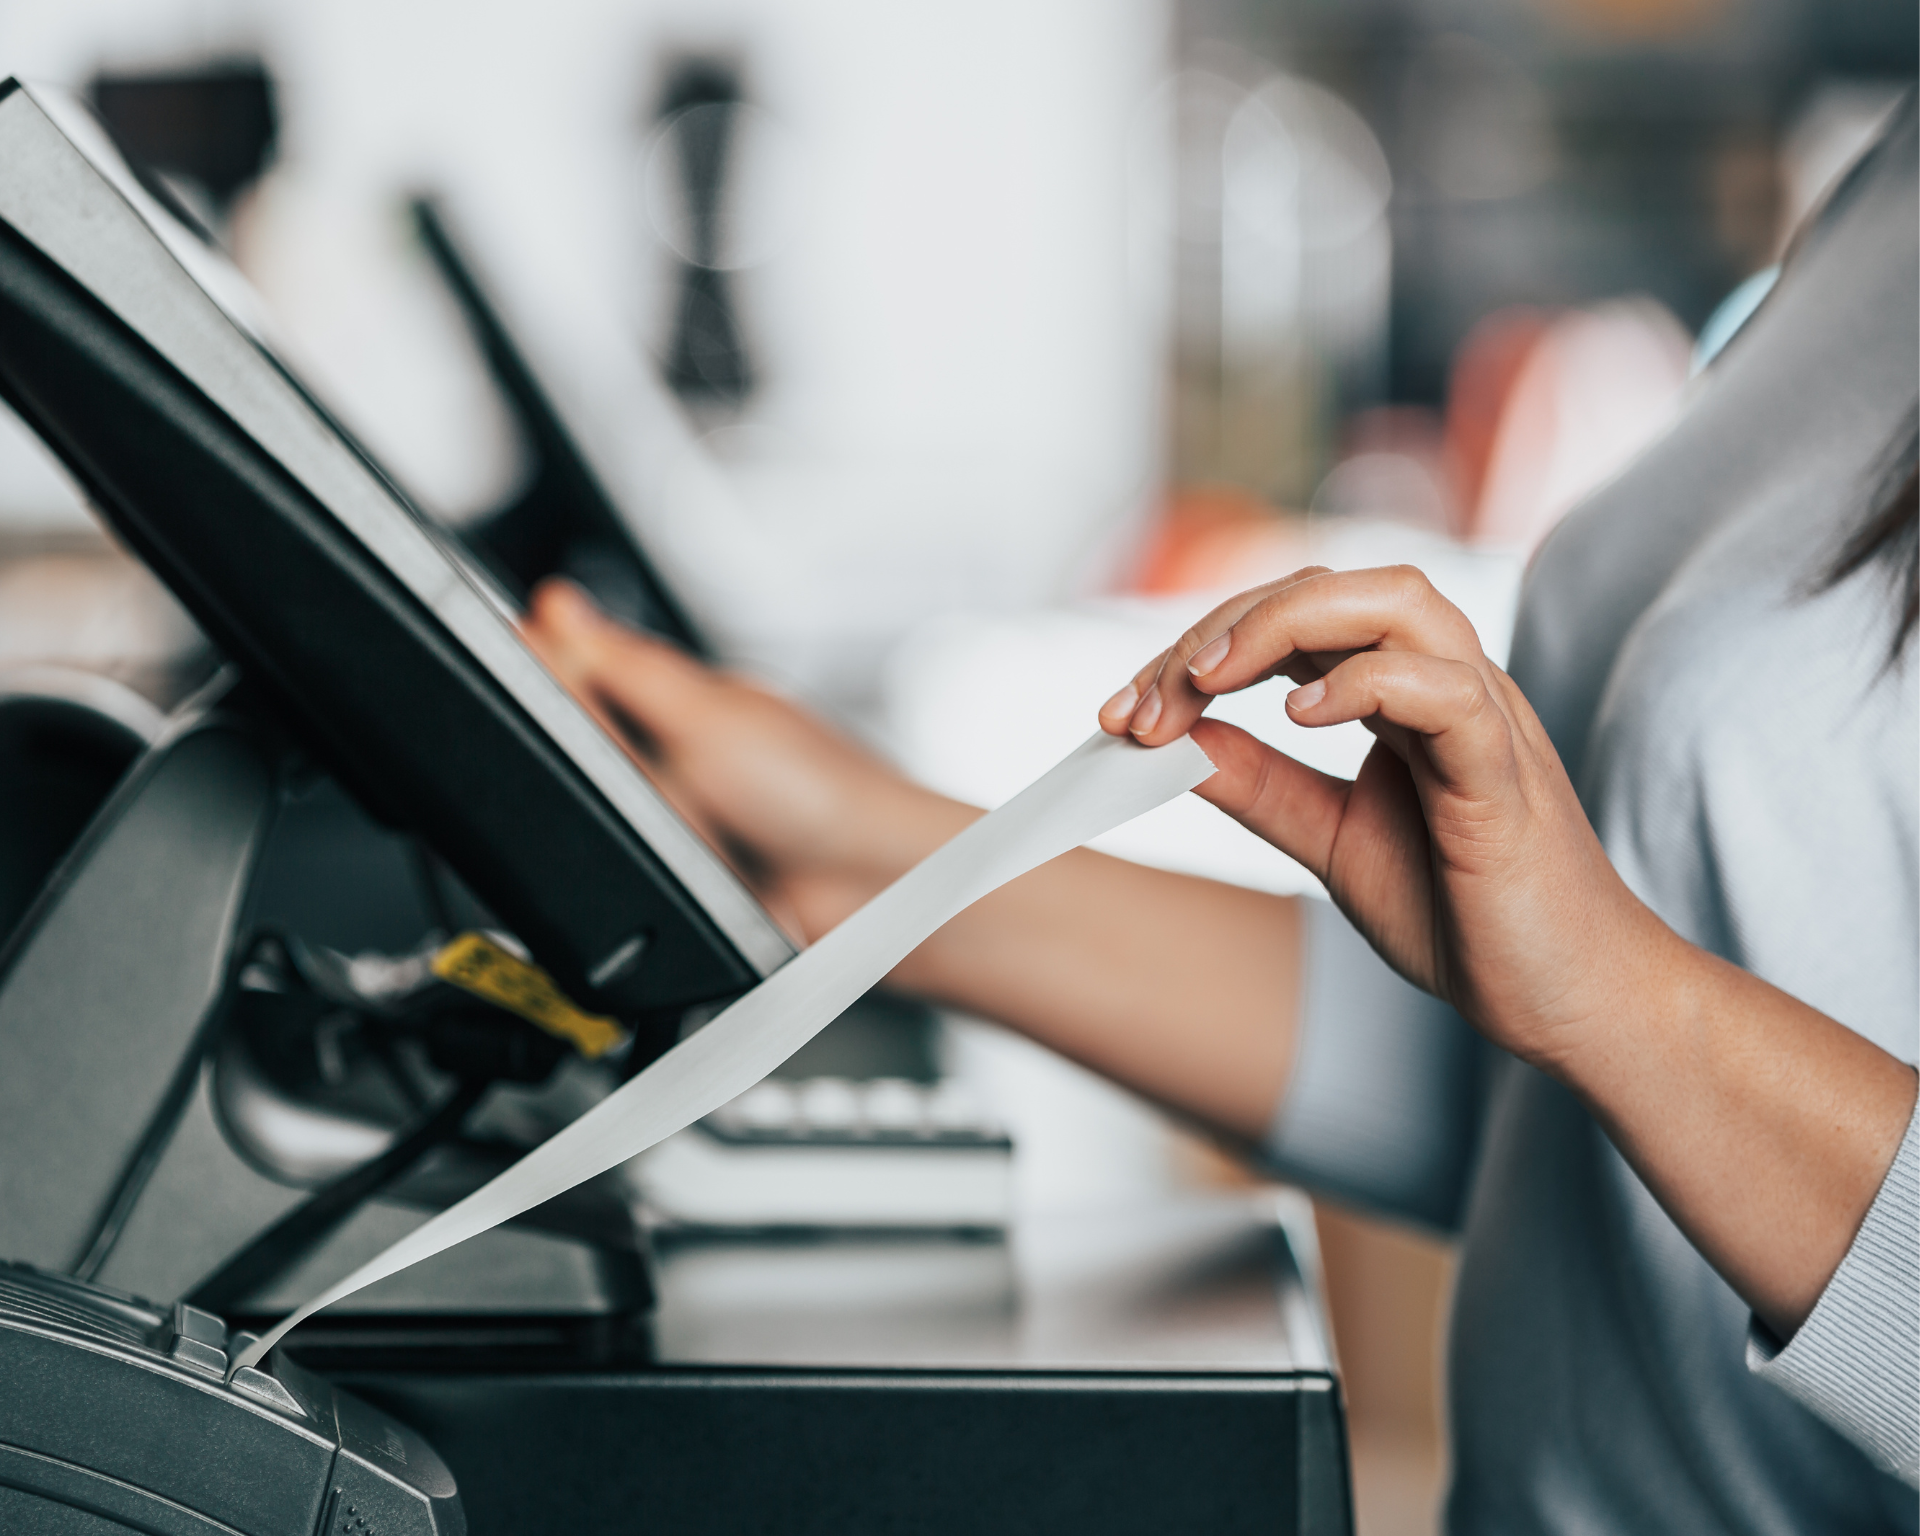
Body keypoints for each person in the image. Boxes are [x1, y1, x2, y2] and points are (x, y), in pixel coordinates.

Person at [523, 102, 1919, 1532]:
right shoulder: (1890, 188)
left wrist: (1623, 995)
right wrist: (844, 857)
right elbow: (1547, 1117)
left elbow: (1617, 1016)